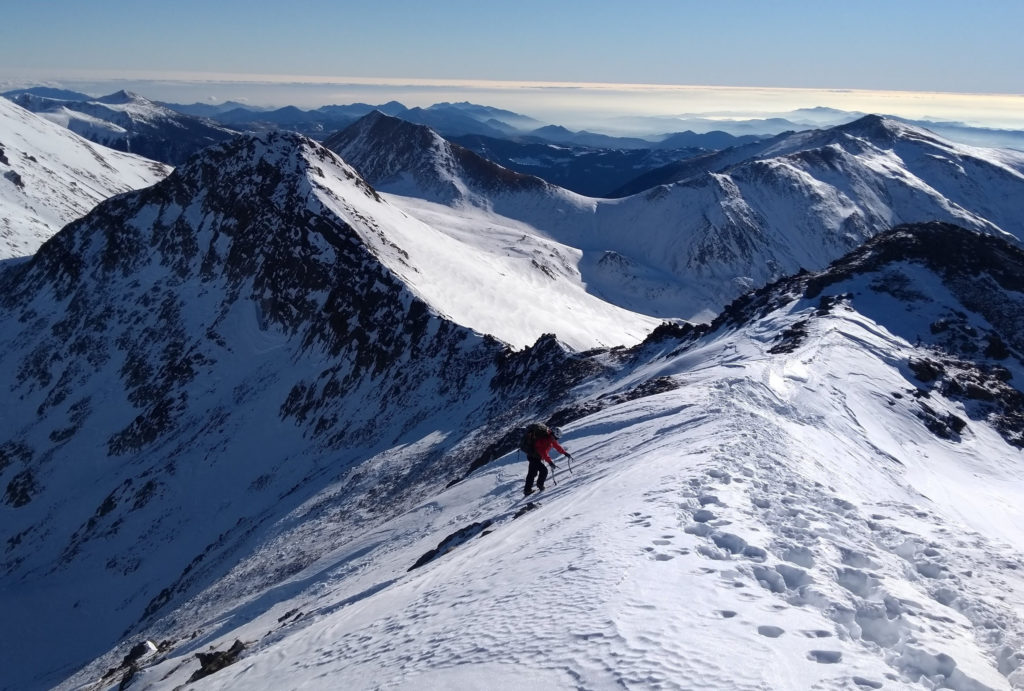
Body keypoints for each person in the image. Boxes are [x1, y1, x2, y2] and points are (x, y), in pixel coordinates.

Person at [523, 425, 571, 496]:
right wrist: (550, 462)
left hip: (535, 456)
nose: (555, 440)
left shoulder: (551, 438)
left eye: (556, 439)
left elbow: (557, 446)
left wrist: (564, 453)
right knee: (543, 471)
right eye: (555, 438)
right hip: (534, 457)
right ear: (553, 434)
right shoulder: (544, 439)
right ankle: (539, 485)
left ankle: (527, 490)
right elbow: (543, 452)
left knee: (532, 473)